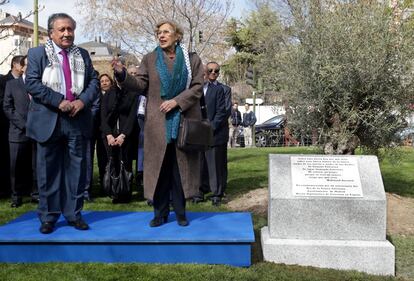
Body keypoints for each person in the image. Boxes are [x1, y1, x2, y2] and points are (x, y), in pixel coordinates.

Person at [112, 20, 204, 227]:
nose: (161, 36)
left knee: (180, 170)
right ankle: (159, 213)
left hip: (183, 122)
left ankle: (181, 212)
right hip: (157, 124)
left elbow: (198, 87)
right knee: (159, 170)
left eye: (166, 32)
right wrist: (122, 74)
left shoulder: (192, 60)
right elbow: (140, 84)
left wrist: (177, 102)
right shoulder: (150, 58)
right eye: (158, 33)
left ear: (177, 36)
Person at [25, 13, 99, 234]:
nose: (67, 33)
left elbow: (94, 81)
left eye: (70, 29)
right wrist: (59, 102)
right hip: (49, 120)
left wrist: (82, 102)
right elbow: (32, 83)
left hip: (76, 121)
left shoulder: (83, 55)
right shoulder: (37, 53)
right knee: (47, 172)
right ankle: (48, 217)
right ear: (51, 33)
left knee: (76, 172)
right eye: (62, 29)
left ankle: (74, 215)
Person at [3, 56, 39, 208]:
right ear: (23, 67)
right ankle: (16, 196)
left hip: (38, 132)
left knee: (36, 165)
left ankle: (36, 194)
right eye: (29, 65)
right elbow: (7, 107)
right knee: (16, 167)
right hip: (18, 132)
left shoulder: (40, 84)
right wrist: (24, 125)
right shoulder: (12, 84)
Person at [100, 73, 138, 203]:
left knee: (126, 163)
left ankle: (126, 193)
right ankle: (114, 192)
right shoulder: (109, 94)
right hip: (109, 136)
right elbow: (103, 116)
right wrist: (109, 135)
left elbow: (132, 116)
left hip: (125, 135)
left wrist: (123, 135)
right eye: (117, 78)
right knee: (113, 163)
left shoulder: (132, 94)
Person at [0, 55, 25, 198]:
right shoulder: (3, 81)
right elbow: (5, 104)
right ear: (15, 65)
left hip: (24, 129)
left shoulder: (27, 82)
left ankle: (23, 188)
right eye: (23, 64)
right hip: (6, 127)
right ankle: (7, 189)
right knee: (8, 162)